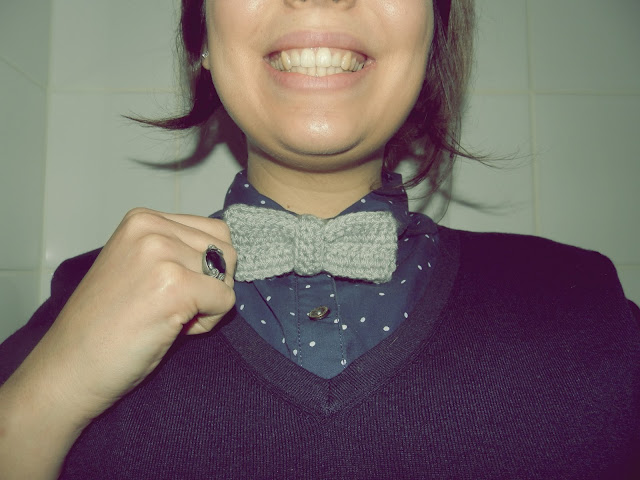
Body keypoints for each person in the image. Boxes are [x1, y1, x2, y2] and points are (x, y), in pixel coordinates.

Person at [0, 0, 638, 478]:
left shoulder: (587, 302)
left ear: (431, 34)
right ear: (202, 36)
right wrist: (39, 405)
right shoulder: (75, 312)